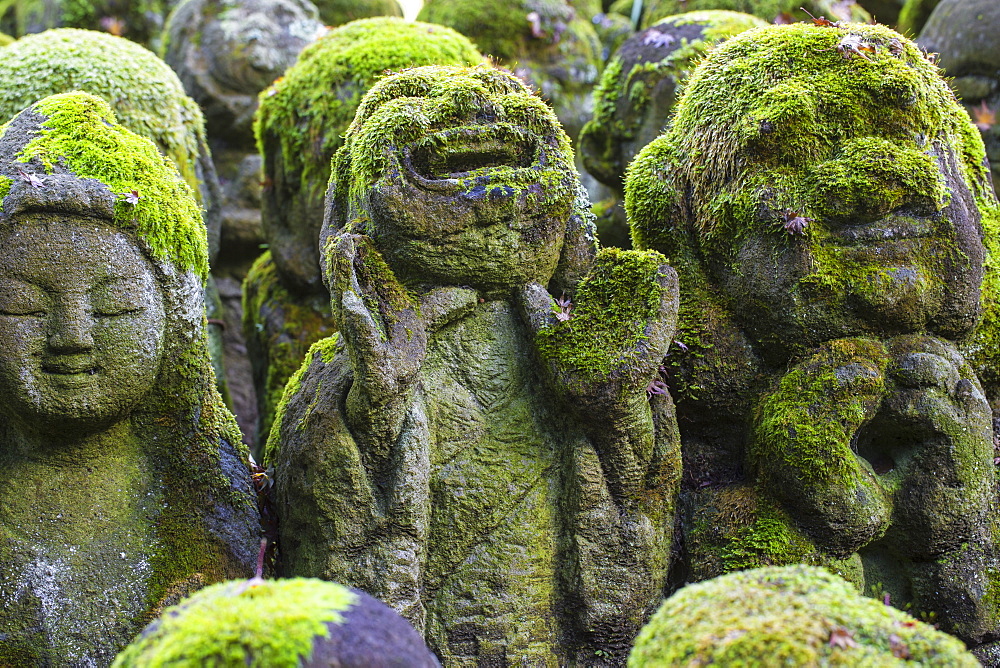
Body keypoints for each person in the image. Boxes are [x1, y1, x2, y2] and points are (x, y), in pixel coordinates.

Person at [0, 92, 258, 665]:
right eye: (23, 306)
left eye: (114, 307)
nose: (72, 335)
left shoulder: (210, 509)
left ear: (174, 319)